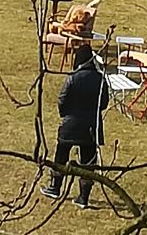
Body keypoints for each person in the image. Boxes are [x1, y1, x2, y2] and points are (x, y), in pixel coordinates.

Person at [41, 44, 108, 208]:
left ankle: (55, 187)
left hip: (71, 123)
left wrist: (66, 115)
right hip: (91, 126)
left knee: (61, 155)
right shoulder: (101, 79)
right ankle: (84, 197)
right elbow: (104, 103)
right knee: (88, 161)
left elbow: (62, 100)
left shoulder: (72, 77)